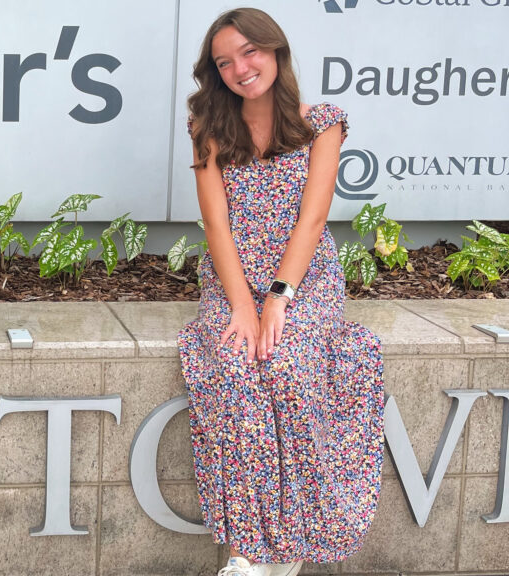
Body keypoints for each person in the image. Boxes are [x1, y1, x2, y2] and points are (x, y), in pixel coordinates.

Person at [176, 8, 385, 576]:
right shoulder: (209, 129)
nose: (241, 68)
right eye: (225, 62)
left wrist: (278, 299)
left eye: (250, 52)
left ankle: (289, 548)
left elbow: (313, 222)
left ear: (275, 51)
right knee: (238, 370)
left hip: (304, 281)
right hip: (232, 280)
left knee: (288, 367)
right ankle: (251, 551)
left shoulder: (323, 122)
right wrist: (243, 303)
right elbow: (216, 226)